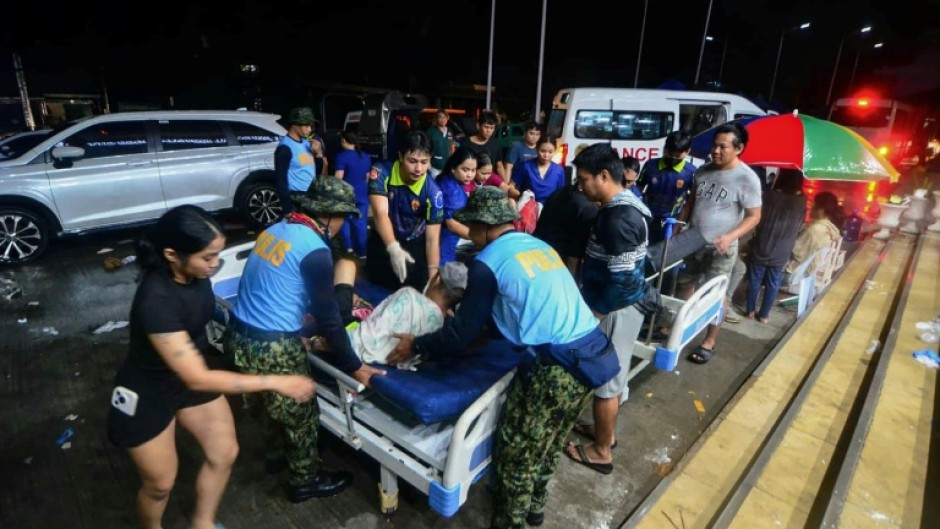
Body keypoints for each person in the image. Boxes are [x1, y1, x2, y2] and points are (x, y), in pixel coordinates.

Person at [385, 187, 616, 529]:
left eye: (471, 228)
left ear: (485, 226)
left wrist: (416, 345)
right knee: (549, 441)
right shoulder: (537, 246)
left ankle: (511, 522)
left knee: (515, 458)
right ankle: (535, 508)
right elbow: (515, 307)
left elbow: (460, 334)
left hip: (556, 368)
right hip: (594, 353)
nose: (470, 235)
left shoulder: (487, 263)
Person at [107, 205, 317, 529]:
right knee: (160, 484)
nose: (215, 265)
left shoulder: (195, 274)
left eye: (218, 254)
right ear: (171, 254)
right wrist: (277, 380)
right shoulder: (157, 301)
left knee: (224, 451)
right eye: (208, 257)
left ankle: (201, 524)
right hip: (149, 390)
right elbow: (199, 378)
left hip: (188, 378)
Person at [222, 177, 386, 504]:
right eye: (342, 217)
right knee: (301, 414)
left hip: (237, 335)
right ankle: (304, 480)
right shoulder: (315, 250)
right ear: (327, 215)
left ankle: (275, 457)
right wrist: (355, 366)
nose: (343, 225)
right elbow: (328, 319)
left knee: (268, 406)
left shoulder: (274, 230)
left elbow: (277, 285)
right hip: (273, 348)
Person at [563, 143, 651, 476]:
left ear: (604, 175)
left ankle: (602, 451)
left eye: (584, 179)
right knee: (608, 379)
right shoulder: (623, 205)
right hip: (615, 304)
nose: (580, 186)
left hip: (615, 309)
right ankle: (605, 434)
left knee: (606, 382)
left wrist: (597, 312)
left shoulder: (619, 218)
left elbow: (624, 281)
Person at [680, 122, 762, 365]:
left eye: (722, 147)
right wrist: (678, 227)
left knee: (718, 296)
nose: (715, 151)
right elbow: (691, 202)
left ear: (739, 148)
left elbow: (754, 216)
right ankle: (681, 326)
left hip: (721, 249)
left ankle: (709, 341)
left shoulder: (747, 179)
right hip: (692, 242)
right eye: (714, 146)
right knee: (685, 285)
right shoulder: (703, 171)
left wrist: (730, 236)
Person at [312, 261, 468, 364]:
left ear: (438, 279)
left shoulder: (409, 297)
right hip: (379, 354)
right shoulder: (442, 330)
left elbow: (363, 340)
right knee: (355, 300)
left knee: (346, 265)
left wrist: (323, 342)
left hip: (349, 344)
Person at [366, 130, 444, 291]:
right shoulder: (381, 173)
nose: (418, 169)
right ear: (401, 156)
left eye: (424, 162)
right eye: (412, 161)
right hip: (383, 241)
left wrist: (432, 279)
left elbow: (432, 239)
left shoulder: (433, 192)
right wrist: (393, 248)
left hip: (413, 244)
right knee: (376, 291)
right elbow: (380, 213)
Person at [744, 169, 807, 322]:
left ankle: (750, 311)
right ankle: (764, 315)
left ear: (781, 178)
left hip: (763, 243)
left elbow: (758, 218)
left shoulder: (768, 196)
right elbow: (800, 224)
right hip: (783, 248)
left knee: (755, 279)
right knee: (774, 282)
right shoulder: (802, 201)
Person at [533, 177, 599, 282]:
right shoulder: (588, 208)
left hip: (535, 259)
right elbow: (572, 258)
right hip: (559, 269)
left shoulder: (560, 192)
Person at [636, 130, 697, 245]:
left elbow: (691, 201)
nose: (673, 158)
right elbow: (638, 189)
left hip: (672, 221)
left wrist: (680, 225)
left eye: (678, 155)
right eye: (669, 153)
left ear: (688, 151)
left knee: (665, 254)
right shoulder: (650, 165)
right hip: (647, 218)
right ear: (665, 148)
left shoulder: (691, 172)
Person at [784, 191, 842, 283]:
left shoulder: (814, 230)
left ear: (821, 210)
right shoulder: (829, 227)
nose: (810, 208)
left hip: (796, 275)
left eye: (813, 205)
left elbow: (795, 253)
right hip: (809, 273)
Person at [437, 146, 479, 265]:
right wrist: (478, 238)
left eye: (473, 170)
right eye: (465, 170)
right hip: (447, 239)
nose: (469, 175)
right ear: (453, 168)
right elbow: (451, 225)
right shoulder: (452, 190)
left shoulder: (448, 181)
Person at [333, 131, 372, 257]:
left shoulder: (341, 156)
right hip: (362, 194)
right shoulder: (365, 156)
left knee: (344, 220)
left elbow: (339, 177)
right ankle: (362, 252)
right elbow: (367, 177)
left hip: (346, 195)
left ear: (344, 141)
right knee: (361, 222)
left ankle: (348, 247)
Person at [275, 107, 318, 215]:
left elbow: (309, 168)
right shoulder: (285, 148)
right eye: (306, 125)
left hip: (310, 196)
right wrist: (288, 209)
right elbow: (281, 180)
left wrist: (318, 153)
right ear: (295, 125)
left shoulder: (306, 143)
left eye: (311, 126)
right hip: (296, 199)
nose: (310, 129)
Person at [512, 137, 566, 205]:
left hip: (550, 210)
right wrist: (521, 196)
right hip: (528, 209)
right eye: (543, 151)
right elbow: (511, 186)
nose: (546, 155)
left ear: (554, 151)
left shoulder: (559, 170)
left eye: (550, 152)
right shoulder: (525, 166)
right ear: (537, 149)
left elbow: (561, 194)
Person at [464, 110, 504, 178]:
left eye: (492, 128)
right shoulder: (466, 143)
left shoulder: (495, 144)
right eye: (486, 127)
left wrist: (505, 185)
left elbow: (499, 167)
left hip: (489, 182)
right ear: (478, 126)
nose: (488, 131)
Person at [426, 109, 455, 178]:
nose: (442, 119)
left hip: (447, 165)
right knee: (435, 185)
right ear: (436, 119)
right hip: (435, 165)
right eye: (440, 117)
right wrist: (427, 162)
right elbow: (426, 147)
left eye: (444, 117)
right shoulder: (431, 131)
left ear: (447, 118)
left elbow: (452, 145)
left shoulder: (450, 131)